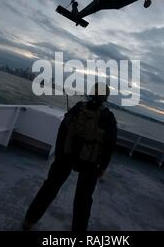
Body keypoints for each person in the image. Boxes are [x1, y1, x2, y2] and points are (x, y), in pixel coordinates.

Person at [22, 82, 117, 232]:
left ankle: (28, 222)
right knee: (83, 201)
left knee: (49, 188)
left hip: (66, 156)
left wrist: (59, 155)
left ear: (92, 93)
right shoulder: (108, 117)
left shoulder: (78, 107)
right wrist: (102, 168)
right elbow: (109, 145)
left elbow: (63, 130)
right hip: (90, 164)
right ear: (105, 97)